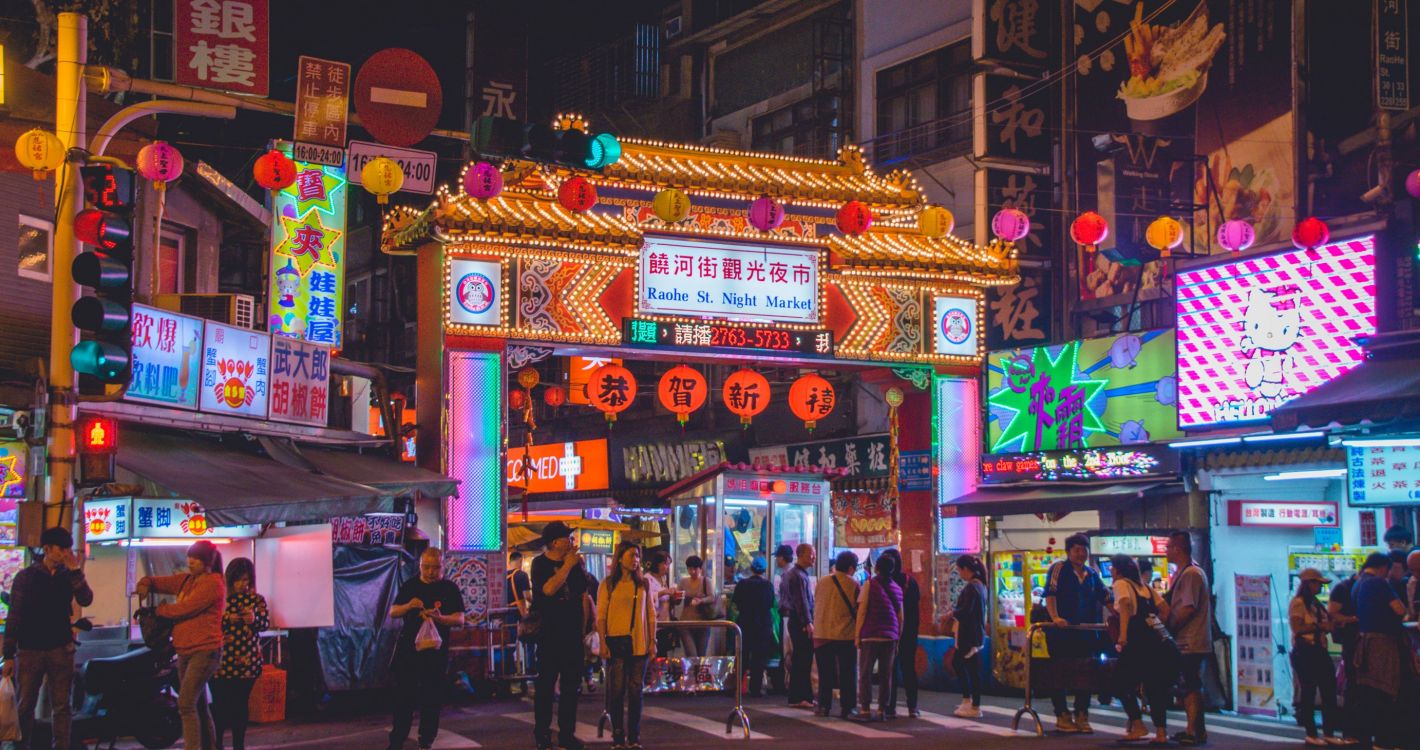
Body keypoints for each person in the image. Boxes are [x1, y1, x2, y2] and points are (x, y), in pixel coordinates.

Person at [4, 526, 93, 750]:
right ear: (47, 549)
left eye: (68, 549)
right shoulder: (26, 577)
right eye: (61, 549)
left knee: (62, 707)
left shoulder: (68, 576)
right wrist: (8, 655)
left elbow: (86, 600)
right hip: (30, 650)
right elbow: (14, 616)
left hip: (61, 648)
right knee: (25, 706)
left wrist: (76, 572)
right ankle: (21, 747)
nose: (65, 553)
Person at [137, 540, 227, 750]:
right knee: (199, 705)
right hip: (185, 651)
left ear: (208, 562)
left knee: (186, 703)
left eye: (196, 559)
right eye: (190, 557)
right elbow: (160, 582)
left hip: (205, 651)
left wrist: (161, 610)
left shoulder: (213, 584)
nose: (190, 562)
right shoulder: (187, 580)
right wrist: (146, 582)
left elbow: (185, 609)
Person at [383, 548, 464, 750]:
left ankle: (426, 740)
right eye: (426, 567)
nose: (430, 572)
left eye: (435, 568)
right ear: (419, 566)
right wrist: (409, 605)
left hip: (436, 655)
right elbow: (393, 611)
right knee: (403, 699)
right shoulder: (410, 586)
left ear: (443, 567)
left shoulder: (449, 589)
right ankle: (396, 741)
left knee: (432, 699)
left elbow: (460, 619)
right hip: (408, 654)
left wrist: (440, 618)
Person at [530, 521, 590, 750]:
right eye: (567, 537)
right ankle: (542, 734)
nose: (571, 542)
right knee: (545, 687)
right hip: (548, 635)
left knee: (570, 689)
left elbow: (583, 595)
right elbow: (548, 589)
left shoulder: (576, 565)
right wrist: (567, 566)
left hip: (572, 635)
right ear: (555, 542)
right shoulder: (540, 564)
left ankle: (567, 735)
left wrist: (583, 630)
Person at [1043, 533, 1110, 734]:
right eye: (1077, 550)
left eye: (1084, 549)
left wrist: (1119, 615)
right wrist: (1055, 617)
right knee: (1060, 672)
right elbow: (1050, 594)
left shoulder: (1091, 574)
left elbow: (1105, 596)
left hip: (1086, 632)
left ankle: (1082, 714)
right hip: (1061, 633)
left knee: (1085, 672)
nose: (1081, 553)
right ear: (1068, 552)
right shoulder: (1058, 569)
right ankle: (1062, 715)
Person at [1109, 554, 1176, 744]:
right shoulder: (1145, 587)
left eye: (1112, 568)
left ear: (1118, 570)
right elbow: (1165, 609)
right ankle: (1161, 732)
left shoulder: (1121, 584)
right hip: (1156, 642)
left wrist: (1123, 636)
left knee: (1119, 684)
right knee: (1155, 686)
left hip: (1136, 641)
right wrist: (1153, 625)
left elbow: (1125, 606)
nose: (1111, 571)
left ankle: (1138, 725)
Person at [596, 543, 656, 750]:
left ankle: (634, 737)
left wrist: (652, 641)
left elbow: (650, 614)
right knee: (617, 690)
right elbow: (601, 615)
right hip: (617, 643)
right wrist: (603, 642)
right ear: (620, 558)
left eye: (638, 556)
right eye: (631, 555)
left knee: (635, 691)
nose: (635, 559)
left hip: (639, 644)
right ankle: (618, 736)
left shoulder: (643, 584)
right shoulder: (608, 584)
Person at [1351, 551, 1409, 750]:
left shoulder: (1358, 583)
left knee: (1369, 693)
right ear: (1384, 567)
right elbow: (1400, 610)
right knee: (1385, 690)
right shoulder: (1378, 583)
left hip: (1364, 642)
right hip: (1382, 644)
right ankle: (1384, 740)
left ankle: (1368, 738)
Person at [210, 557, 269, 750]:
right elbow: (210, 623)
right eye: (238, 580)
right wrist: (228, 619)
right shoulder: (220, 599)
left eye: (246, 580)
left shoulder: (257, 600)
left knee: (240, 704)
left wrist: (253, 618)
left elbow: (264, 624)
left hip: (247, 662)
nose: (242, 584)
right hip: (220, 660)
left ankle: (238, 745)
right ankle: (216, 744)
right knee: (220, 705)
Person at [1164, 531, 1212, 746]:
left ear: (1177, 548)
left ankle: (1194, 730)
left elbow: (1188, 607)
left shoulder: (1191, 574)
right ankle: (1194, 729)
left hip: (1191, 640)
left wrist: (1169, 627)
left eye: (1168, 547)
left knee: (1191, 685)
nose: (1166, 551)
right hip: (1188, 640)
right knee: (1189, 685)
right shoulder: (1185, 572)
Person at [1289, 568, 1340, 746]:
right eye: (1318, 583)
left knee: (1329, 691)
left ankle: (1328, 732)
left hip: (1320, 650)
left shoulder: (1316, 603)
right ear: (1308, 583)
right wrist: (1320, 626)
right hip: (1306, 651)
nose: (1320, 587)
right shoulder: (1298, 603)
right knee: (1309, 692)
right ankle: (1311, 733)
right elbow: (1297, 628)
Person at [854, 554, 902, 722]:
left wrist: (857, 635)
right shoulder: (897, 588)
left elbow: (862, 610)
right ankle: (882, 709)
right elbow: (900, 616)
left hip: (871, 635)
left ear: (876, 568)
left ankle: (865, 708)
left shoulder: (869, 585)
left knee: (865, 673)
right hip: (890, 637)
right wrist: (898, 638)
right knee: (885, 675)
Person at [813, 550, 860, 719]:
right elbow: (858, 609)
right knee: (847, 673)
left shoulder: (822, 582)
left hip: (821, 632)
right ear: (850, 568)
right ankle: (848, 707)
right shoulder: (853, 584)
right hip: (844, 634)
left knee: (825, 673)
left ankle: (823, 706)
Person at [940, 555, 987, 719]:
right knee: (971, 669)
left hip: (969, 635)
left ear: (966, 569)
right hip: (976, 634)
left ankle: (971, 703)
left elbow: (965, 611)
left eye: (959, 570)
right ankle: (972, 703)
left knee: (960, 664)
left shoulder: (971, 588)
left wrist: (951, 614)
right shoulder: (980, 586)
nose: (959, 573)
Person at [880, 548, 921, 718]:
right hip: (909, 632)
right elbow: (916, 609)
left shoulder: (881, 582)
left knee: (890, 670)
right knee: (909, 669)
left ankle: (890, 707)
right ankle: (912, 706)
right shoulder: (910, 582)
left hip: (889, 631)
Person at [1327, 570, 1363, 745]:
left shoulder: (1347, 587)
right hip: (1351, 643)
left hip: (1353, 644)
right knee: (1353, 685)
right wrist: (1352, 619)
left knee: (1355, 686)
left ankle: (1353, 731)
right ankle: (1350, 731)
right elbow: (1332, 614)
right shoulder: (1343, 588)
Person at [732, 555, 775, 698]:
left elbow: (736, 602)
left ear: (751, 568)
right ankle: (755, 689)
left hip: (744, 623)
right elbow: (770, 604)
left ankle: (737, 687)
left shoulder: (742, 584)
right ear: (764, 570)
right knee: (759, 658)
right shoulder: (768, 585)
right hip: (762, 625)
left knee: (742, 655)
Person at [780, 543, 816, 709]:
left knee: (802, 658)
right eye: (810, 554)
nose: (813, 557)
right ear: (800, 555)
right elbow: (801, 602)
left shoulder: (795, 574)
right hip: (800, 621)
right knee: (803, 659)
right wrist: (808, 622)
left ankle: (802, 696)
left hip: (797, 620)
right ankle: (799, 696)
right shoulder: (797, 576)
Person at [677, 556, 715, 657]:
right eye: (689, 569)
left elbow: (712, 597)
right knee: (691, 654)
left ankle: (698, 672)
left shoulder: (706, 581)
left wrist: (701, 600)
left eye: (695, 569)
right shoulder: (683, 582)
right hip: (685, 623)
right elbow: (678, 599)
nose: (692, 571)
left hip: (702, 623)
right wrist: (675, 597)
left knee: (701, 654)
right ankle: (691, 672)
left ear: (700, 569)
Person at [506, 550, 534, 675]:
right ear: (519, 561)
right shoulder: (522, 575)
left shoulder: (503, 575)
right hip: (520, 614)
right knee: (528, 641)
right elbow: (527, 596)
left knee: (509, 644)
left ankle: (509, 670)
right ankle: (530, 669)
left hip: (506, 614)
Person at [645, 550, 676, 656]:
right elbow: (646, 600)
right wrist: (663, 592)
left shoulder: (663, 578)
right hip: (655, 624)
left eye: (668, 564)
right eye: (665, 564)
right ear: (657, 563)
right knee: (656, 655)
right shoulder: (647, 579)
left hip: (665, 623)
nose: (667, 567)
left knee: (663, 654)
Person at [1406, 550, 1420, 620]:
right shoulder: (1412, 582)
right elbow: (1412, 609)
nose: (1415, 574)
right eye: (1412, 570)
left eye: (1418, 569)